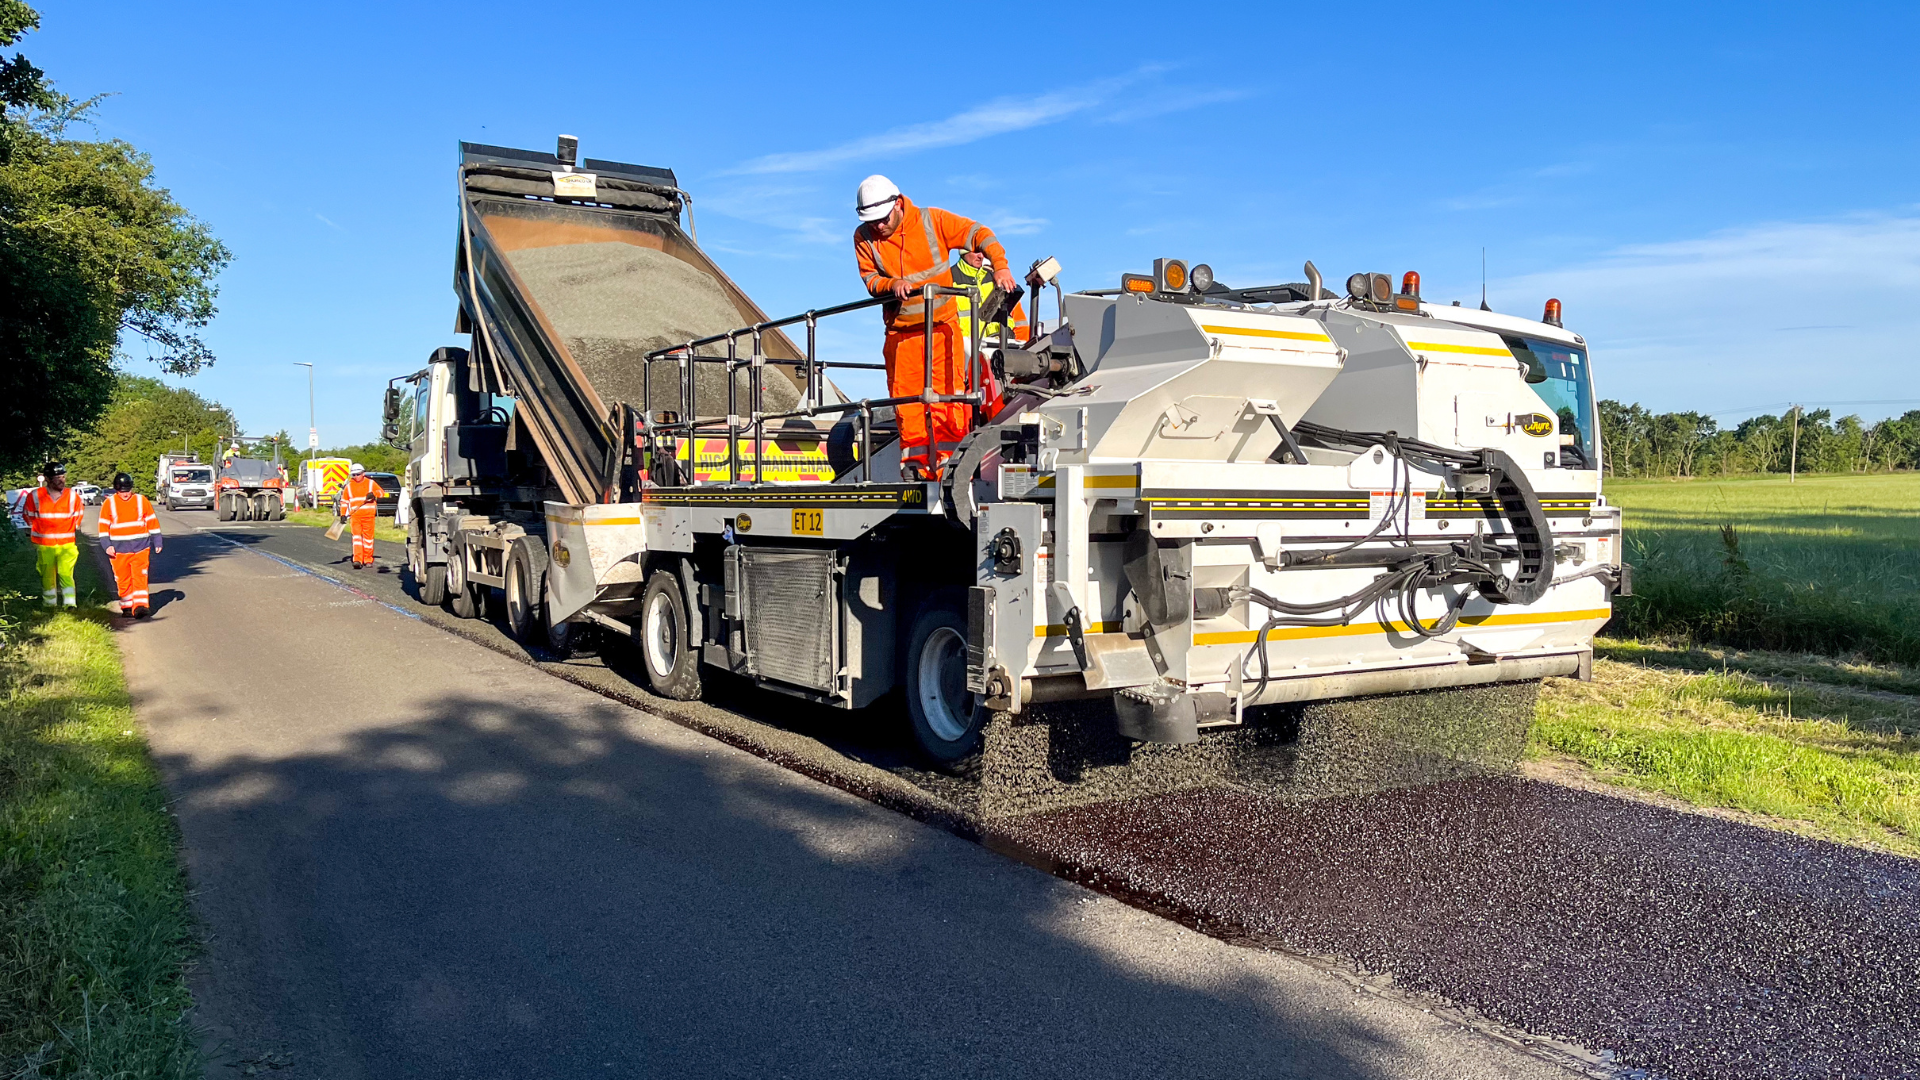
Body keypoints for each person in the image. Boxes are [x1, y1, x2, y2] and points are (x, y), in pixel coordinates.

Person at [851, 175, 1017, 479]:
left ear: (898, 204)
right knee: (907, 402)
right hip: (901, 335)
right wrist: (892, 284)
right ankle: (915, 467)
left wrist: (1001, 265)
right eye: (871, 221)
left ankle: (949, 467)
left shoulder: (932, 220)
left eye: (883, 219)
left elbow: (980, 233)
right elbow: (870, 280)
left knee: (948, 398)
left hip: (942, 330)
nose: (878, 227)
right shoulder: (863, 237)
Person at [98, 472, 162, 618]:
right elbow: (103, 527)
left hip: (141, 547)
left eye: (127, 491)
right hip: (118, 550)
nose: (125, 494)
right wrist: (107, 545)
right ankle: (127, 606)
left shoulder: (141, 500)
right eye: (122, 492)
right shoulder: (110, 503)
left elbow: (151, 521)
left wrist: (157, 539)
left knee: (140, 576)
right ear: (116, 490)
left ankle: (140, 607)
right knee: (123, 579)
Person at [22, 462, 84, 607]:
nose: (62, 480)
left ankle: (70, 605)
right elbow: (28, 517)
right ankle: (49, 605)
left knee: (66, 574)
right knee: (47, 576)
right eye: (58, 477)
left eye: (63, 476)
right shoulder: (35, 496)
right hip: (44, 546)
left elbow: (78, 517)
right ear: (48, 479)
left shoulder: (72, 496)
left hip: (67, 545)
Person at [337, 463, 387, 569]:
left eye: (357, 474)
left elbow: (382, 493)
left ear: (363, 473)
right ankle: (357, 560)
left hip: (368, 516)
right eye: (353, 475)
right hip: (355, 517)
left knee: (368, 539)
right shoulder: (349, 487)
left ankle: (368, 559)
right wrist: (342, 515)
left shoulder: (370, 483)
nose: (355, 477)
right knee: (357, 538)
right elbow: (344, 502)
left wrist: (374, 494)